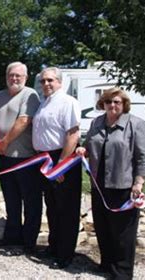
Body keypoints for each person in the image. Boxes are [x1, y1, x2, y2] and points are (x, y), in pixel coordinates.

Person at [76, 87, 145, 279]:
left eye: (116, 102)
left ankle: (123, 271)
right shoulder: (96, 122)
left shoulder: (135, 124)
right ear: (102, 104)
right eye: (108, 102)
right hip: (99, 184)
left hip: (123, 184)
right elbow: (89, 145)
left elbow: (144, 156)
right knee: (103, 227)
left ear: (124, 104)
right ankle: (106, 264)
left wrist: (139, 183)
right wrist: (81, 150)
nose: (112, 105)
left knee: (123, 232)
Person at [32, 67, 82, 269]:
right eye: (43, 81)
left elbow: (73, 134)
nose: (46, 84)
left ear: (60, 82)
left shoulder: (68, 102)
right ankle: (54, 246)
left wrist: (61, 165)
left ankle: (65, 254)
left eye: (50, 80)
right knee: (52, 206)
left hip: (62, 157)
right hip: (44, 158)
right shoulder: (43, 103)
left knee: (66, 208)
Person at [0, 62, 41, 254]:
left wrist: (4, 141)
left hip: (26, 158)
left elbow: (23, 121)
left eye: (18, 76)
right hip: (5, 158)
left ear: (26, 77)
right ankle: (13, 237)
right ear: (6, 76)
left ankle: (29, 242)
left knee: (30, 202)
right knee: (11, 200)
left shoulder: (30, 95)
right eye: (11, 75)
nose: (14, 79)